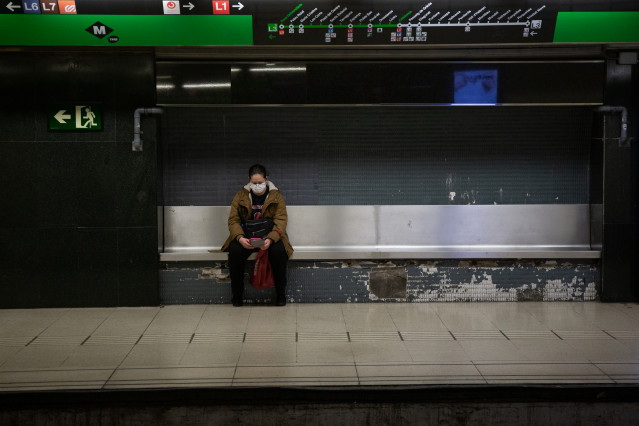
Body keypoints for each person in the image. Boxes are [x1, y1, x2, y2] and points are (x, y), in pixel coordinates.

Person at [221, 164, 293, 307]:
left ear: (266, 179)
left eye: (260, 182)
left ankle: (280, 294)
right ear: (249, 181)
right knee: (235, 252)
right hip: (247, 238)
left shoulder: (276, 196)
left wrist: (271, 239)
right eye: (254, 183)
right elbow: (233, 220)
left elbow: (281, 220)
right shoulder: (241, 196)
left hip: (269, 237)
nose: (257, 186)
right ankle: (237, 295)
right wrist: (240, 238)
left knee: (279, 252)